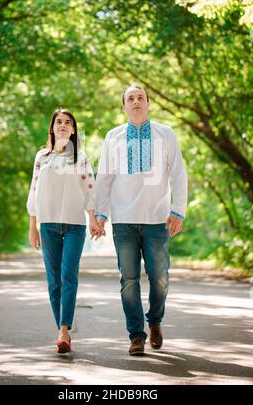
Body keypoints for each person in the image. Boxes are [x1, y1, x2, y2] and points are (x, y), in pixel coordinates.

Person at [95, 85, 188, 355]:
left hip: (158, 219)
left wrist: (178, 209)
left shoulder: (165, 134)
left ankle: (155, 322)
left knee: (160, 278)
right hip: (123, 220)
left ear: (148, 103)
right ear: (123, 107)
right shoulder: (113, 137)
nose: (136, 102)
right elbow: (104, 179)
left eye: (140, 98)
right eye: (130, 99)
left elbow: (179, 173)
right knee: (129, 280)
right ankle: (136, 335)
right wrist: (101, 214)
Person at [27, 108, 101, 354]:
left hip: (74, 226)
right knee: (53, 282)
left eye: (67, 123)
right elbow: (34, 192)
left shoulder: (80, 158)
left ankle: (64, 330)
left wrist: (92, 219)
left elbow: (91, 189)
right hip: (47, 226)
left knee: (68, 277)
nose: (62, 125)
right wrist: (33, 227)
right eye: (58, 121)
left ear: (72, 130)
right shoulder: (42, 158)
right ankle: (62, 327)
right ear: (52, 127)